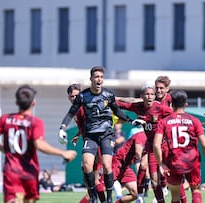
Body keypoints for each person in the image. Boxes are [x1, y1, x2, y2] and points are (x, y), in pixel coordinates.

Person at [58, 66, 142, 203]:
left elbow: (119, 109)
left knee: (102, 171)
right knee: (86, 167)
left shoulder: (107, 96)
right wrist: (68, 129)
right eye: (96, 77)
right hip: (91, 138)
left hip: (105, 137)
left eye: (101, 77)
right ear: (90, 78)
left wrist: (132, 119)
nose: (99, 79)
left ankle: (105, 199)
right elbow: (75, 116)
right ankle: (95, 197)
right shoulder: (82, 100)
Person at [0, 84, 77, 203]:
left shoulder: (5, 119)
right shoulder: (35, 122)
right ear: (33, 102)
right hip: (29, 172)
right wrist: (63, 153)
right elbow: (39, 144)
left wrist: (4, 149)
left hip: (11, 172)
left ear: (17, 102)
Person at [116, 82, 174, 203]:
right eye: (147, 94)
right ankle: (151, 197)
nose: (150, 96)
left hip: (165, 145)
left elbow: (177, 116)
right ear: (142, 96)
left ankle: (165, 188)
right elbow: (122, 105)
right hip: (151, 147)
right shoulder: (138, 107)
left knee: (173, 177)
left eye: (152, 94)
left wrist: (195, 125)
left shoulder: (161, 107)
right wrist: (106, 99)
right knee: (153, 179)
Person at [154, 90, 205, 203]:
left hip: (173, 161)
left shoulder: (164, 122)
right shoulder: (194, 121)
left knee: (175, 195)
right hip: (192, 161)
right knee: (195, 190)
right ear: (186, 104)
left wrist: (161, 163)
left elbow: (156, 145)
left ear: (171, 103)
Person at [67, 83, 106, 203]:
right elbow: (84, 126)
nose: (74, 98)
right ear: (68, 97)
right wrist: (78, 135)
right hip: (90, 144)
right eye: (72, 96)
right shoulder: (77, 110)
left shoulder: (84, 108)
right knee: (88, 179)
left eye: (76, 95)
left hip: (95, 144)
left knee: (92, 179)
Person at [112, 124, 147, 203]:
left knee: (135, 193)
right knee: (98, 189)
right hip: (116, 163)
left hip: (125, 167)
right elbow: (138, 153)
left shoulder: (150, 138)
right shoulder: (142, 135)